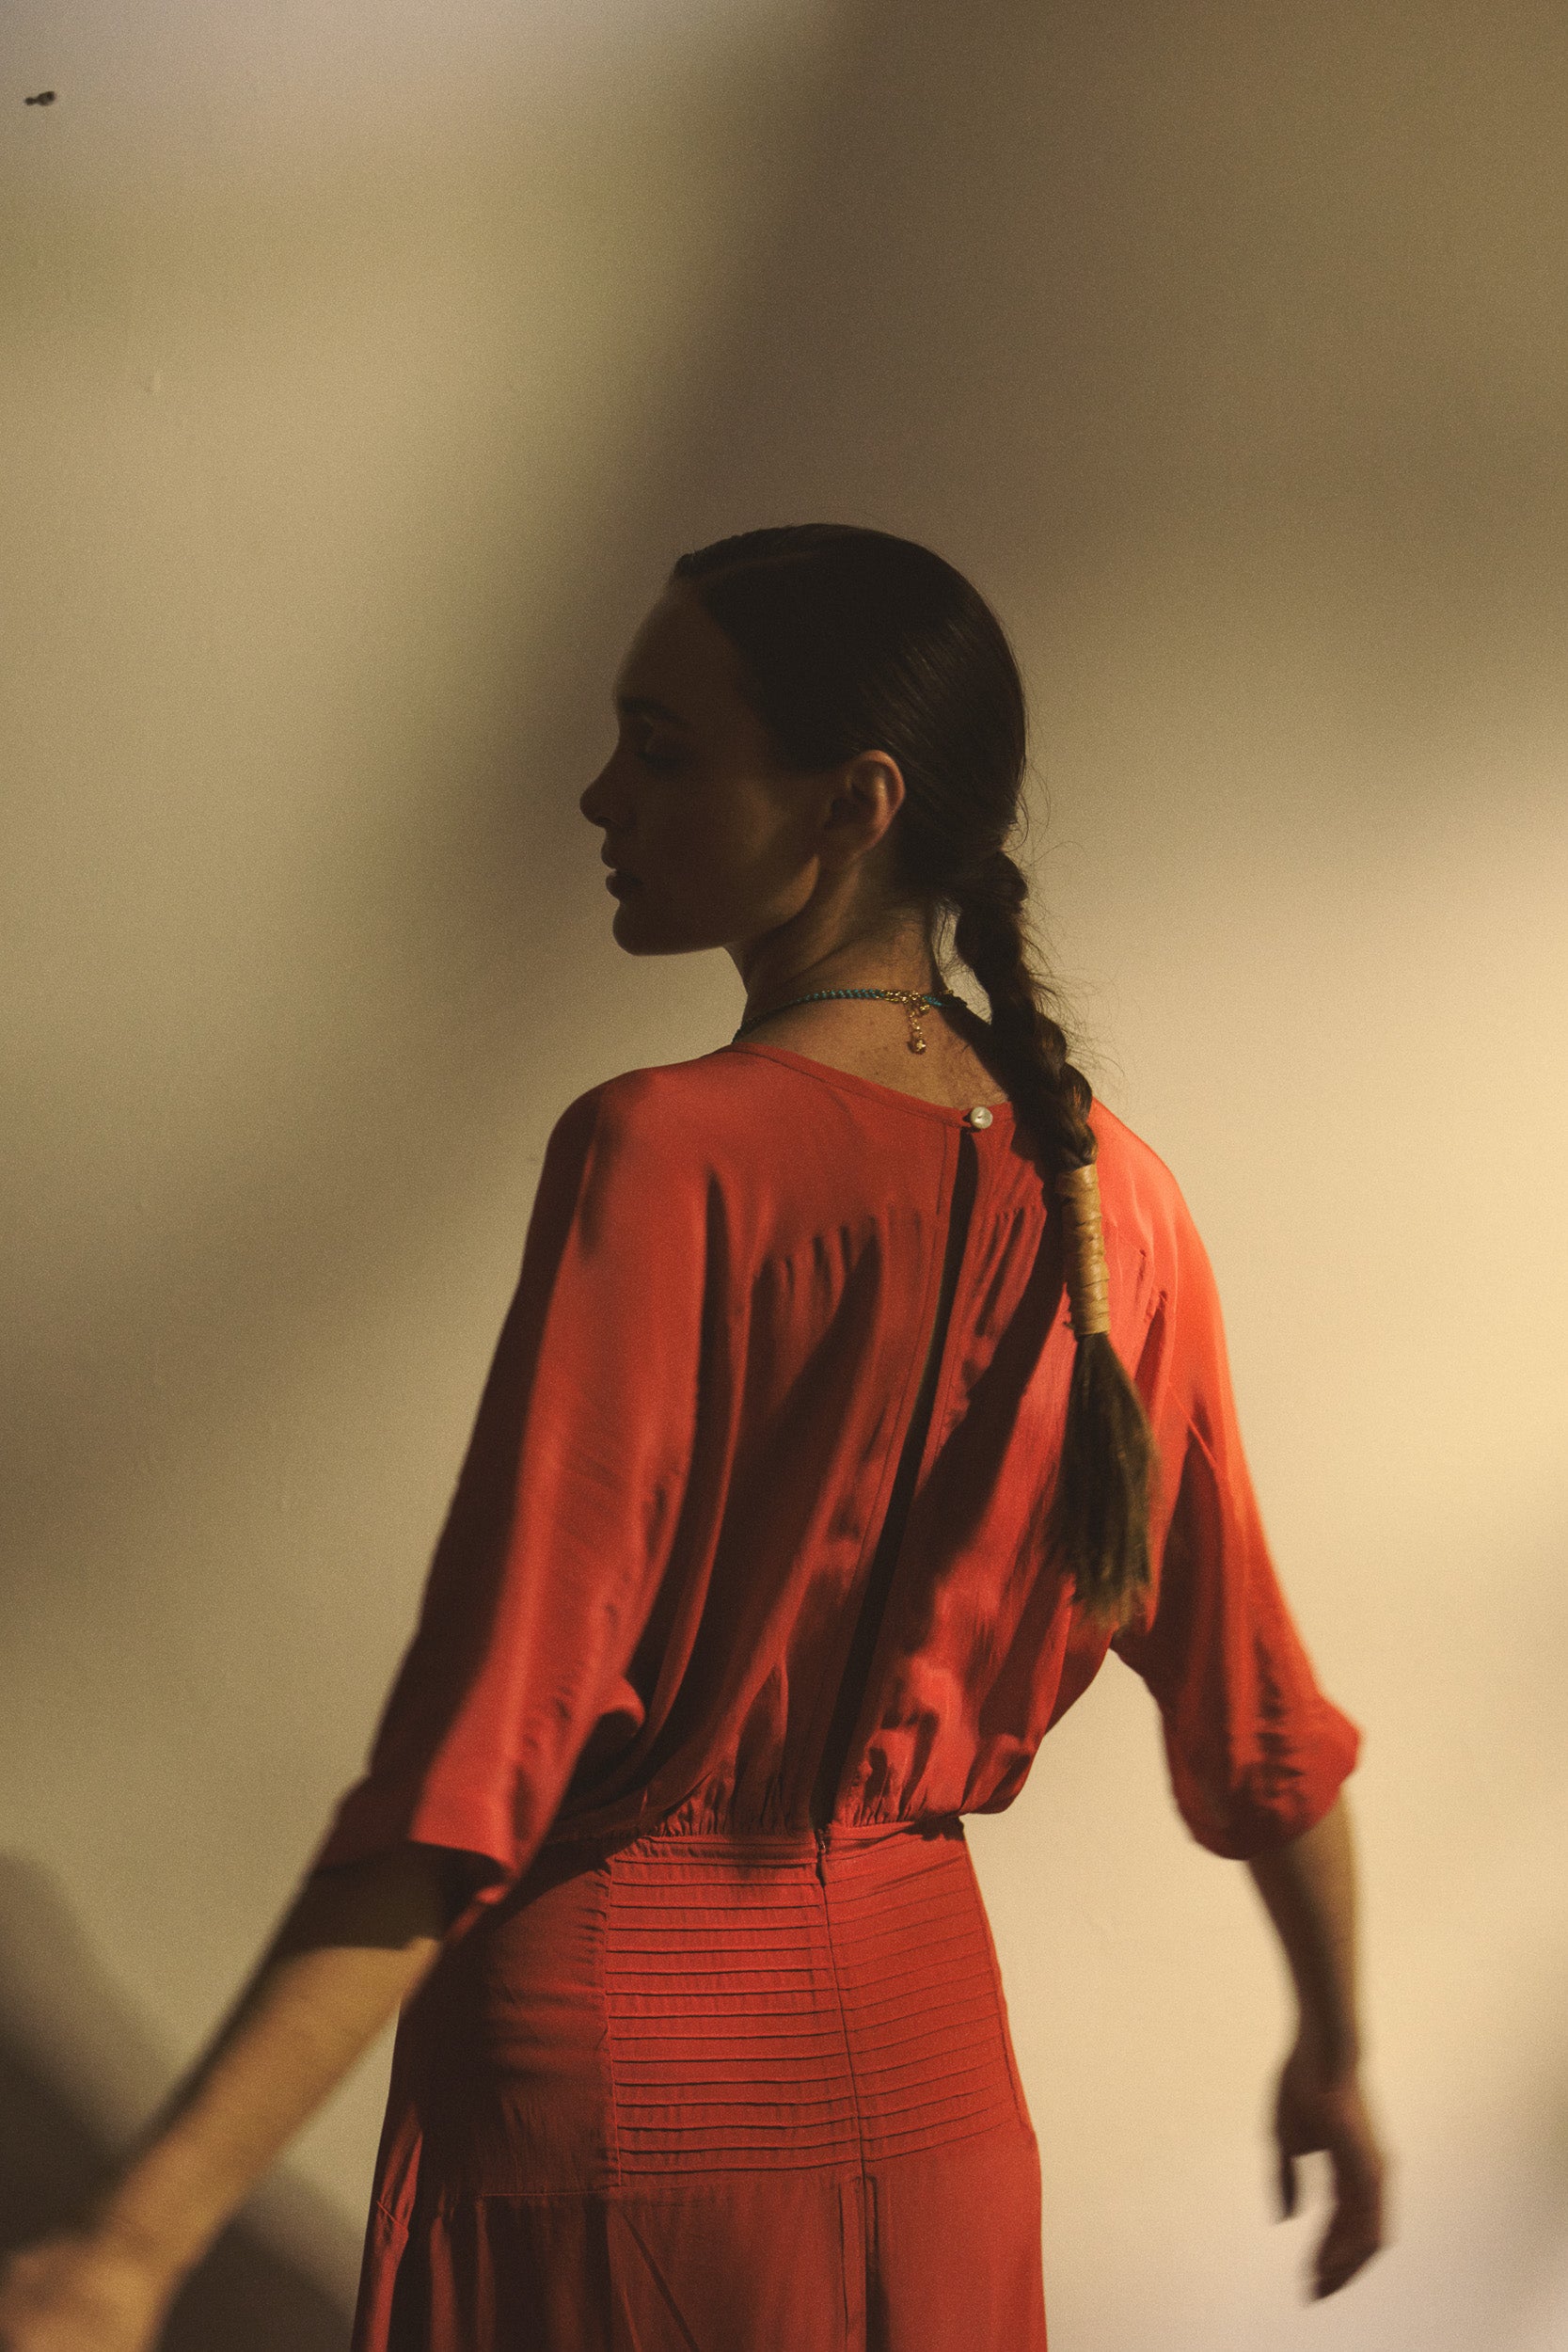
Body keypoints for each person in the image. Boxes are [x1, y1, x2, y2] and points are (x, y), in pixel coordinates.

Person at [0, 524, 1387, 2351]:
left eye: (663, 748)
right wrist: (1336, 2052)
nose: (599, 792)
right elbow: (1266, 1724)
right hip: (941, 2105)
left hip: (610, 2106)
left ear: (852, 803)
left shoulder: (665, 1156)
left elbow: (474, 1762)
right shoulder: (1118, 1207)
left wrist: (138, 2234)